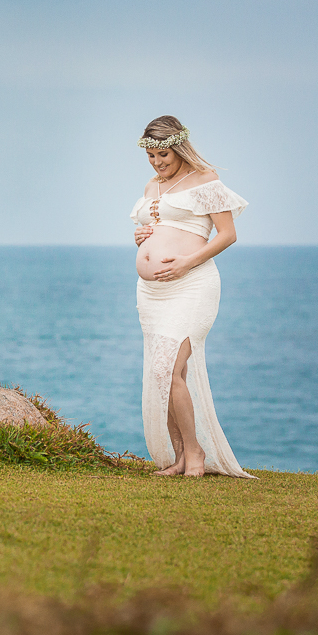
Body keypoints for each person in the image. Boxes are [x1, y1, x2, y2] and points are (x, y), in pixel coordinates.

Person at [129, 116, 255, 478]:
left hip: (191, 286)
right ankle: (181, 457)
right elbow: (157, 229)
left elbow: (227, 234)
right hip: (152, 292)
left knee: (165, 369)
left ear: (180, 147)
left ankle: (196, 453)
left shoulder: (206, 180)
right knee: (166, 374)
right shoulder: (153, 185)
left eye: (163, 154)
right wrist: (142, 239)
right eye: (151, 156)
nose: (157, 162)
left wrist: (186, 262)